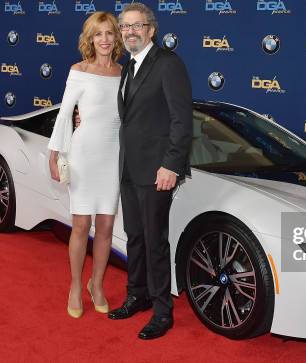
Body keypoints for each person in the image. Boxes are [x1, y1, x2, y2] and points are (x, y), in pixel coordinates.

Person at [106, 3, 192, 340]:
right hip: (129, 167)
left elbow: (181, 120)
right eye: (124, 27)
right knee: (135, 237)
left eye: (136, 26)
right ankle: (137, 295)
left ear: (151, 30)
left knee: (155, 241)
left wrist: (171, 164)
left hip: (157, 170)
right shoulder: (128, 67)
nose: (129, 32)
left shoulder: (168, 64)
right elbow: (131, 118)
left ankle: (162, 312)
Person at [47, 11, 124, 319]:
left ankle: (98, 284)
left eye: (109, 33)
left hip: (113, 156)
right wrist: (55, 153)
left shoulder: (124, 72)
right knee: (81, 225)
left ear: (116, 37)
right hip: (83, 155)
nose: (104, 39)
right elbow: (66, 114)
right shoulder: (79, 70)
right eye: (98, 34)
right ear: (90, 39)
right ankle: (76, 287)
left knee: (105, 226)